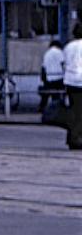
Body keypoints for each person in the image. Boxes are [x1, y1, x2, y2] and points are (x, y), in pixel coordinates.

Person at [63, 23, 82, 151]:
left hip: (70, 81)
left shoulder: (68, 46)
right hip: (81, 81)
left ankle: (71, 137)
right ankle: (76, 138)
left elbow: (64, 63)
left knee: (74, 111)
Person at [39, 40, 65, 113]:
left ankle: (42, 108)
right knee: (57, 95)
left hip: (48, 77)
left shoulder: (47, 53)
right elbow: (63, 64)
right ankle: (56, 110)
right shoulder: (59, 52)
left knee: (46, 95)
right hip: (58, 77)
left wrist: (42, 78)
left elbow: (43, 67)